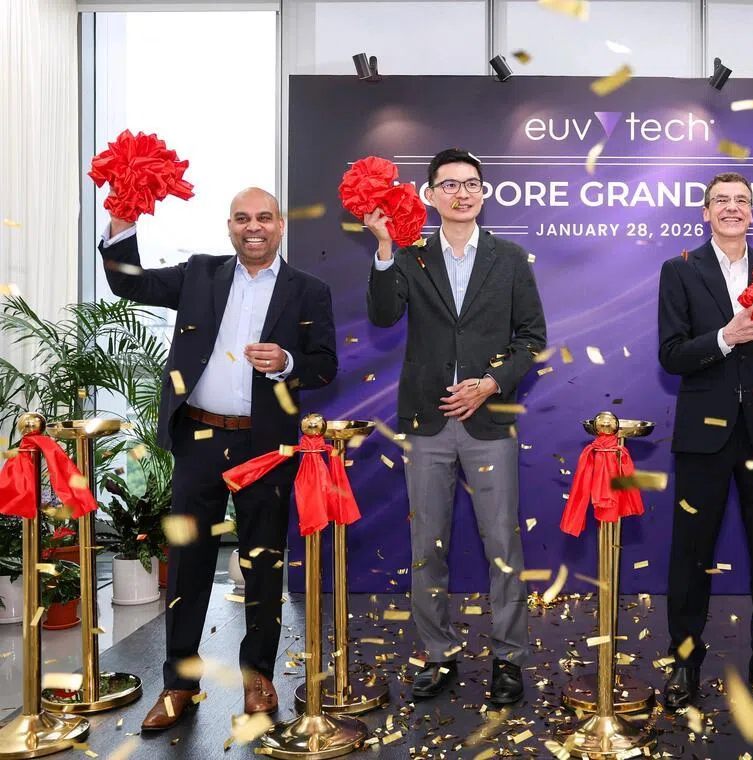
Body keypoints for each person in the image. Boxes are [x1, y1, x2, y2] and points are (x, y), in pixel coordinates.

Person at [99, 187, 338, 730]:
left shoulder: (309, 290)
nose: (253, 227)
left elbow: (325, 366)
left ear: (280, 224)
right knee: (187, 566)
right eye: (242, 219)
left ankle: (258, 677)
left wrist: (286, 361)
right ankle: (179, 685)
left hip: (268, 447)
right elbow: (126, 281)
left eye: (264, 218)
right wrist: (120, 219)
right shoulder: (199, 274)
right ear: (229, 226)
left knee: (262, 562)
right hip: (200, 441)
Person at [365, 148, 546, 705]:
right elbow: (382, 316)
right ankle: (438, 654)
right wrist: (383, 248)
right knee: (428, 547)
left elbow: (532, 339)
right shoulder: (411, 256)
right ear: (431, 195)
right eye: (449, 185)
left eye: (471, 184)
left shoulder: (511, 258)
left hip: (489, 419)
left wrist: (490, 383)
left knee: (502, 548)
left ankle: (509, 661)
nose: (461, 193)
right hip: (427, 420)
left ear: (484, 193)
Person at [657, 171, 753, 710]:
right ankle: (684, 664)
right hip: (703, 437)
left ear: (752, 212)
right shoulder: (679, 271)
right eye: (720, 201)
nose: (731, 208)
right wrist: (728, 336)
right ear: (705, 213)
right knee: (690, 555)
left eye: (741, 201)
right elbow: (671, 354)